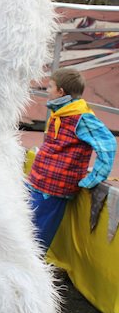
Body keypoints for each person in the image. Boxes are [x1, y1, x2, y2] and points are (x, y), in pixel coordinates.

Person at [28, 68, 116, 250]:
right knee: (24, 228)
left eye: (50, 86)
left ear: (61, 91)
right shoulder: (61, 111)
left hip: (53, 188)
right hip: (40, 182)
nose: (47, 90)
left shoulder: (81, 117)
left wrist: (94, 178)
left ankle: (27, 274)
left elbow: (107, 144)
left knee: (35, 240)